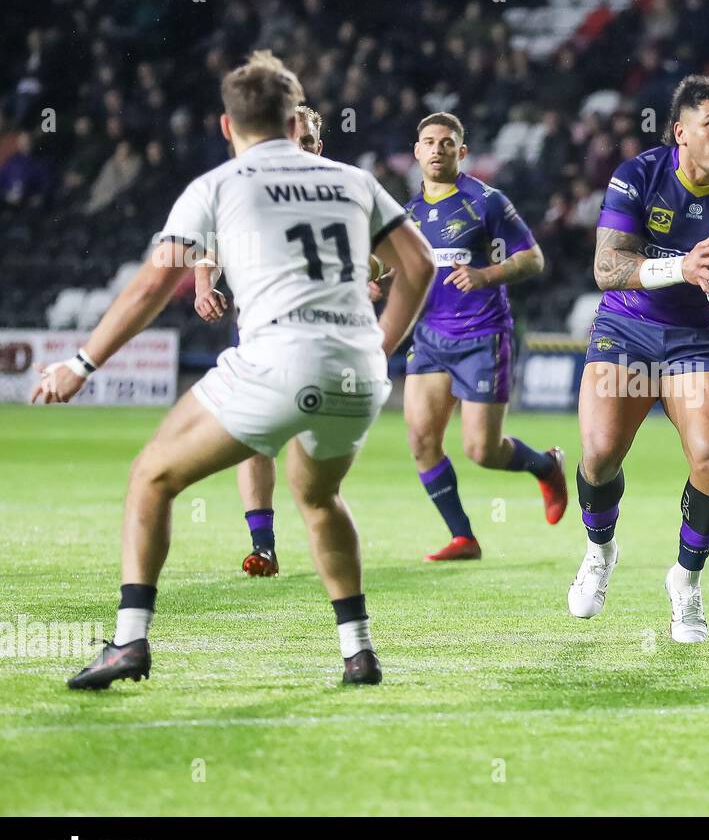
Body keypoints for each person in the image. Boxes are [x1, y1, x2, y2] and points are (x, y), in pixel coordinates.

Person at [34, 51, 436, 689]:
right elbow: (418, 267)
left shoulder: (219, 184)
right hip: (359, 371)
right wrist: (381, 345)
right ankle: (358, 652)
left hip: (280, 356)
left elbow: (149, 287)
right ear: (292, 117)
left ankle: (128, 643)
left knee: (150, 477)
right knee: (320, 495)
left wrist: (81, 365)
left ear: (228, 126)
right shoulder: (352, 179)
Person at [567, 75, 709, 642]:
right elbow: (606, 270)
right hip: (628, 328)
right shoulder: (638, 176)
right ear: (681, 133)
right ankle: (601, 552)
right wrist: (682, 268)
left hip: (699, 338)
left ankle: (686, 581)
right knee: (598, 456)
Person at [401, 112, 567, 562]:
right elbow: (400, 269)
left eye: (447, 143)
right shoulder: (408, 214)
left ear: (462, 151)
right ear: (417, 152)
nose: (437, 149)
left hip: (482, 336)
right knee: (420, 439)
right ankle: (464, 538)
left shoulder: (486, 201)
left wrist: (486, 274)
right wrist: (378, 278)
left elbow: (533, 259)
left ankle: (546, 465)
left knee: (481, 449)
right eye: (429, 142)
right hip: (431, 337)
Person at [191, 104, 330, 577]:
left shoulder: (341, 191)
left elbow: (392, 253)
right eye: (290, 139)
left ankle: (334, 556)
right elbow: (210, 245)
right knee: (255, 438)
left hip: (325, 340)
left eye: (308, 141)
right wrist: (203, 285)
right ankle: (263, 546)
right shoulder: (245, 190)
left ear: (319, 147)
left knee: (313, 456)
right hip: (258, 339)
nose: (299, 148)